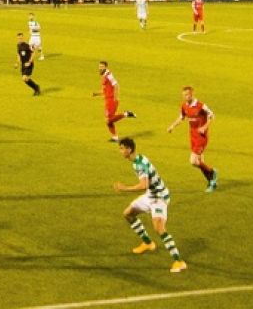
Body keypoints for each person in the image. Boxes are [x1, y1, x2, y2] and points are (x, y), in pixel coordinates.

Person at [113, 137, 187, 273]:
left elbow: (143, 185)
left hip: (159, 197)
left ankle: (179, 261)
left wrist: (124, 188)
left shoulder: (139, 164)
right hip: (150, 195)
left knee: (159, 228)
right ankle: (148, 243)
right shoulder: (138, 159)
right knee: (128, 214)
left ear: (129, 149)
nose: (120, 151)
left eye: (122, 148)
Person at [166, 85, 218, 191]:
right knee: (200, 162)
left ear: (192, 94)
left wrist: (204, 127)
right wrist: (172, 126)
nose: (186, 97)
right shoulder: (184, 106)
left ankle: (212, 172)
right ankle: (211, 182)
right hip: (192, 136)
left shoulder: (200, 105)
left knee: (193, 161)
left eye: (188, 95)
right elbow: (181, 117)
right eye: (184, 95)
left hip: (201, 137)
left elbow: (212, 115)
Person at [93, 60, 136, 140]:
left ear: (106, 67)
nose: (100, 68)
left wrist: (115, 98)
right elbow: (106, 90)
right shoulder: (105, 76)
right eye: (99, 67)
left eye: (102, 67)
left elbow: (116, 85)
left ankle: (125, 114)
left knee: (108, 120)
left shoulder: (109, 75)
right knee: (108, 121)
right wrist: (96, 94)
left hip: (111, 100)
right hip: (107, 100)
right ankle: (115, 137)